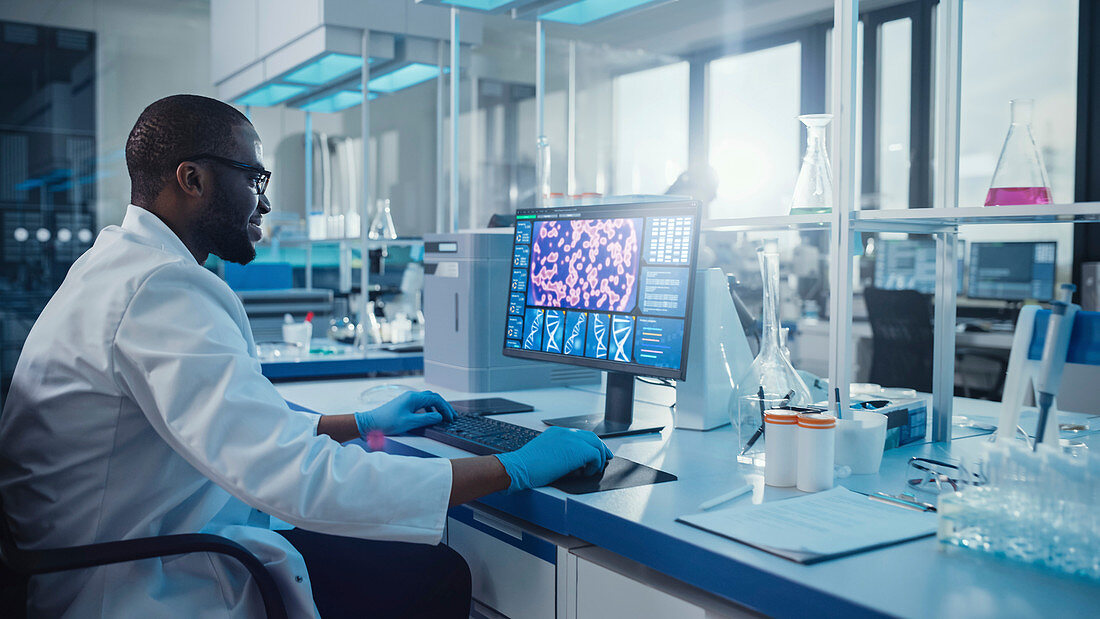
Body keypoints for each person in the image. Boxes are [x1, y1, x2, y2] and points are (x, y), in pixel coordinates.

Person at [0, 94, 611, 618]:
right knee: (436, 573)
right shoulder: (159, 287)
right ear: (193, 180)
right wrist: (514, 470)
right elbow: (298, 480)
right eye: (254, 178)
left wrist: (360, 425)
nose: (263, 203)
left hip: (110, 549)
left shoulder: (118, 265)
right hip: (138, 579)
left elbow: (235, 426)